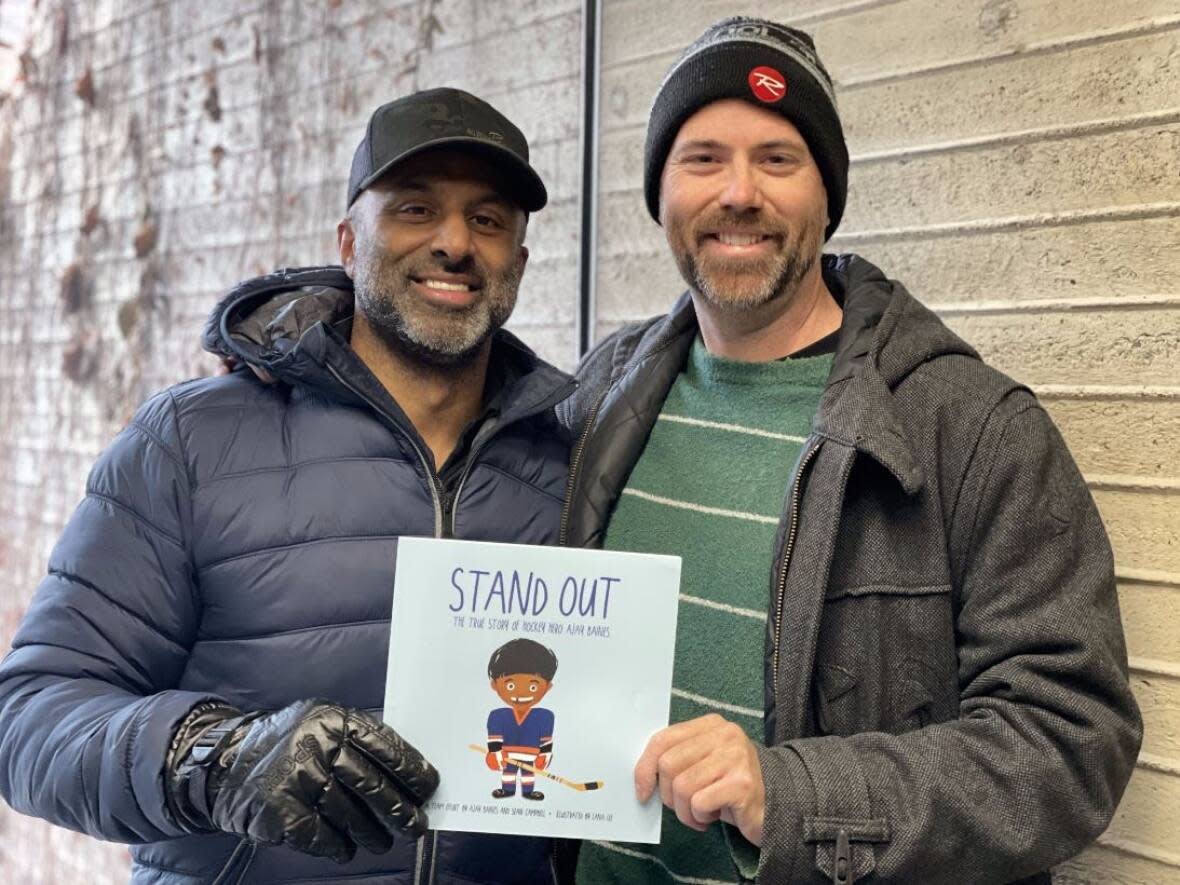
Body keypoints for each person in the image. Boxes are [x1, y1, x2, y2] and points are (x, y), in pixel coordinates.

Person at [558, 17, 1142, 885]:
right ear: (661, 193)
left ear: (828, 195)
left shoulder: (973, 428)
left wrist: (793, 794)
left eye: (779, 159)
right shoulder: (601, 393)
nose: (739, 193)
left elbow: (1067, 745)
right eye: (703, 158)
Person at [0, 88, 574, 884]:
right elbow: (30, 720)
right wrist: (214, 755)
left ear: (518, 257)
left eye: (487, 220)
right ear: (348, 240)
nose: (454, 243)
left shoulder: (568, 463)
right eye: (415, 210)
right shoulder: (190, 443)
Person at [485, 638, 559, 800]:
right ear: (494, 685)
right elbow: (495, 741)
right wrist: (495, 754)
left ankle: (528, 791)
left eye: (533, 687)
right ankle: (508, 789)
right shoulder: (498, 716)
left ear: (547, 687)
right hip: (508, 755)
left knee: (528, 773)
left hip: (530, 757)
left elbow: (546, 742)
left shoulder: (544, 717)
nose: (521, 694)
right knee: (509, 772)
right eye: (510, 685)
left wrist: (544, 756)